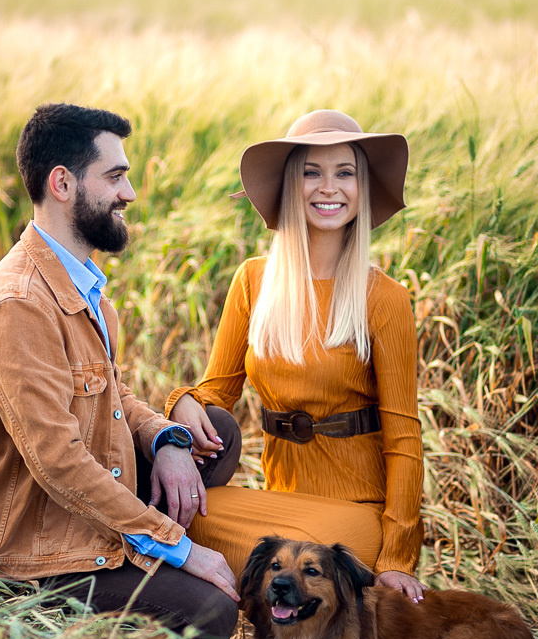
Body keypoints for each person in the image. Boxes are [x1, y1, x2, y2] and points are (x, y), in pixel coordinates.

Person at [0, 103, 243, 639]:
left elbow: (111, 392)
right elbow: (56, 459)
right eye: (115, 177)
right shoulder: (20, 303)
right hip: (15, 543)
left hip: (63, 497)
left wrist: (166, 440)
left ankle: (141, 548)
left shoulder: (80, 284)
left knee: (215, 435)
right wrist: (180, 547)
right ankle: (65, 603)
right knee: (212, 613)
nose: (130, 193)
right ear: (63, 184)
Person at [165, 109, 426, 602]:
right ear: (290, 185)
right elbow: (216, 393)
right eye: (312, 172)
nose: (329, 188)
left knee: (302, 557)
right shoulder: (253, 280)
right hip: (278, 503)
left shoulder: (384, 297)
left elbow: (404, 439)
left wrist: (397, 558)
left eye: (345, 172)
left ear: (362, 187)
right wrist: (182, 403)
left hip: (354, 515)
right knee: (176, 515)